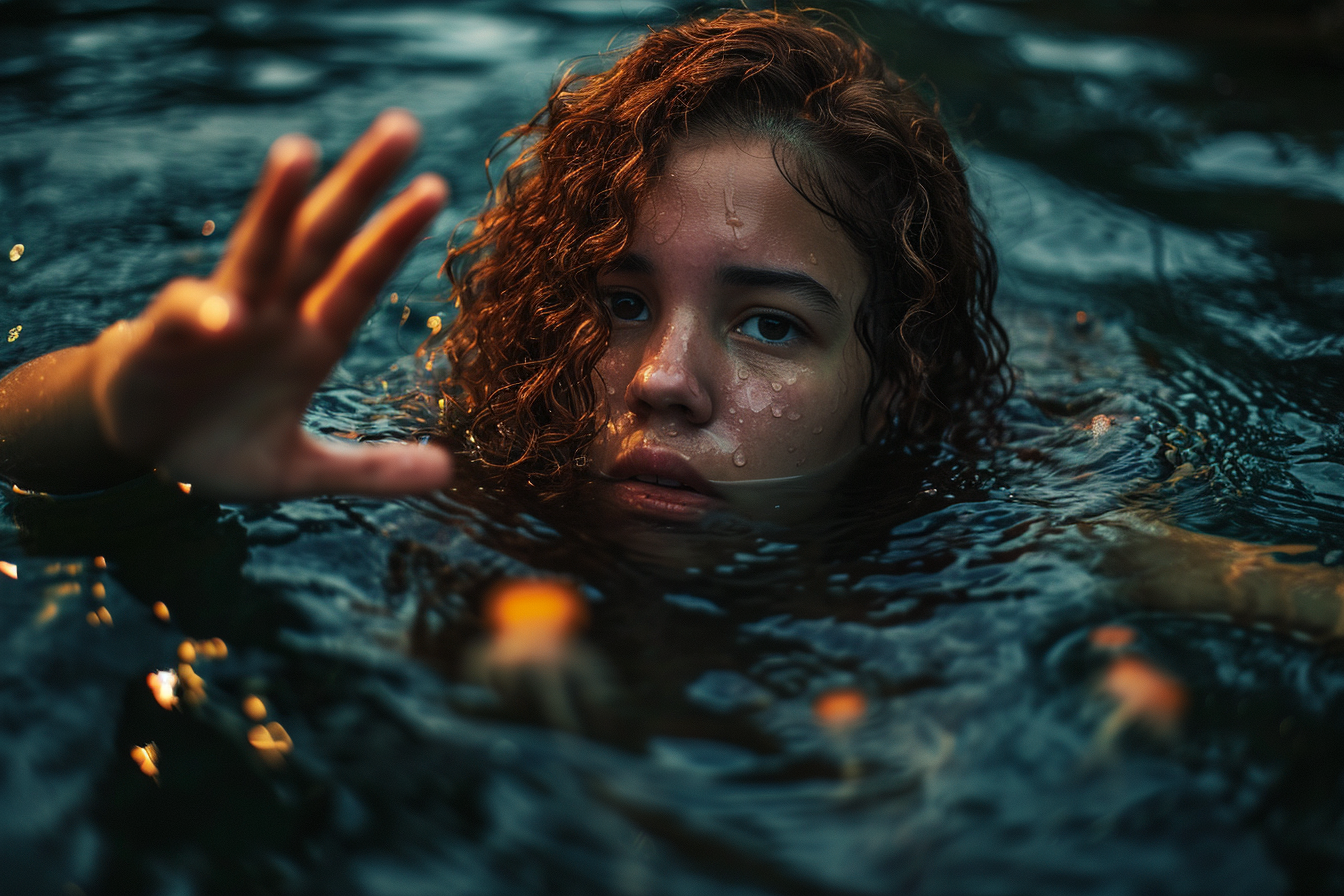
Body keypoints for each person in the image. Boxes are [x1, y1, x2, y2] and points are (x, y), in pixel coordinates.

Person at [0, 9, 1007, 525]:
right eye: (620, 301)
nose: (663, 379)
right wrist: (121, 403)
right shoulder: (450, 483)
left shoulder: (990, 556)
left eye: (770, 324)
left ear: (890, 388)